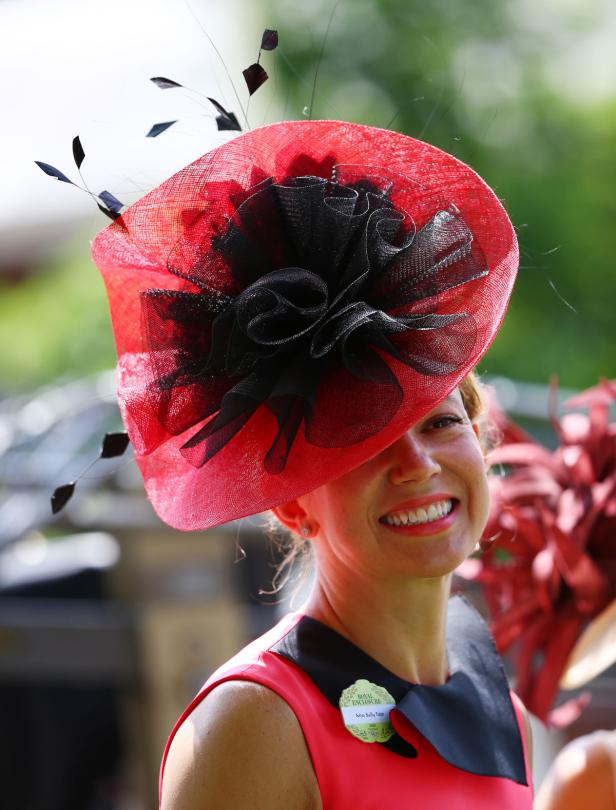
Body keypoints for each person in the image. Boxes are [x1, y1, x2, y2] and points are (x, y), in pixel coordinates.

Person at [91, 120, 533, 808]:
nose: (417, 465)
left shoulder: (486, 684)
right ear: (293, 505)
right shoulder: (257, 725)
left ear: (482, 440)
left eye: (442, 423)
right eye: (364, 446)